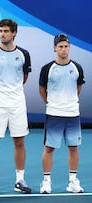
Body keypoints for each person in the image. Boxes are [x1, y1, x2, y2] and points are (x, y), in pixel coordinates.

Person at [0, 19, 32, 195]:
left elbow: (24, 77)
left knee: (19, 141)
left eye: (6, 31)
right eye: (0, 31)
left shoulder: (24, 54)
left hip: (18, 102)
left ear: (14, 33)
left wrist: (13, 91)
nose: (2, 34)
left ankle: (20, 180)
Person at [39, 33, 85, 194]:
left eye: (66, 46)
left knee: (74, 148)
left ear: (69, 47)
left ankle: (73, 182)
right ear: (54, 48)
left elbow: (77, 88)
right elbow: (42, 90)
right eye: (60, 46)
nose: (63, 49)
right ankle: (46, 182)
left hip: (73, 114)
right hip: (54, 114)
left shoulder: (77, 68)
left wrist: (69, 102)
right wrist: (52, 103)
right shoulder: (47, 69)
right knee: (49, 148)